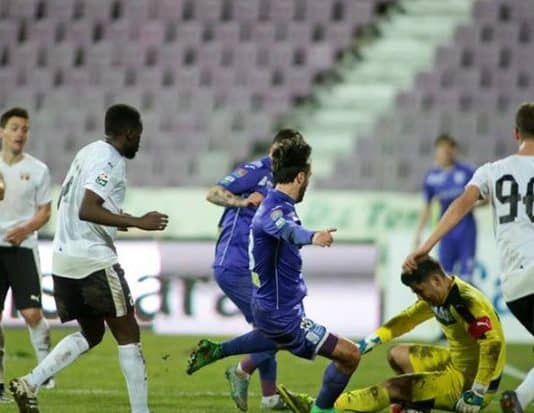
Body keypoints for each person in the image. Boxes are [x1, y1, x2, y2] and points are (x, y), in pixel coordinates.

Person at [9, 104, 169, 413]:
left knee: (93, 332)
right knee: (128, 334)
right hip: (92, 259)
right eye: (139, 136)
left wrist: (118, 220)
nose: (139, 143)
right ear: (130, 133)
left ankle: (30, 382)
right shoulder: (111, 160)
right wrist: (138, 221)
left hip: (64, 257)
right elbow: (87, 208)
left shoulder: (88, 152)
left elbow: (80, 205)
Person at [187, 138, 361, 413]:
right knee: (350, 355)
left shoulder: (277, 204)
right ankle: (321, 410)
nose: (308, 183)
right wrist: (313, 236)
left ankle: (218, 351)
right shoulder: (274, 209)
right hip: (283, 314)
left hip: (274, 307)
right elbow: (285, 229)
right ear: (300, 177)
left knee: (273, 338)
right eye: (308, 177)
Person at [404, 102, 534, 413]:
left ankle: (519, 399)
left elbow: (461, 204)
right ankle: (518, 397)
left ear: (516, 133)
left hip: (514, 285)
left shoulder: (491, 170)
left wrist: (426, 244)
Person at [206, 129, 303, 411]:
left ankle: (269, 397)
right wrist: (242, 202)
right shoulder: (255, 170)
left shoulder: (284, 182)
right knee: (278, 328)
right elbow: (213, 193)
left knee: (267, 329)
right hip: (234, 263)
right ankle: (241, 370)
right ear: (276, 147)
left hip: (258, 267)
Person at [335, 256, 505, 413]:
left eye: (420, 290)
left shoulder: (464, 303)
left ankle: (335, 406)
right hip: (457, 363)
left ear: (436, 280)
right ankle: (416, 406)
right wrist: (368, 342)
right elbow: (407, 319)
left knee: (394, 388)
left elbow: (492, 343)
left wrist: (478, 391)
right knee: (397, 354)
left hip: (472, 382)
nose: (419, 297)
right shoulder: (441, 294)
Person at [0, 108, 53, 402]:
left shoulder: (37, 169)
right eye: (15, 127)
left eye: (25, 129)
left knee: (32, 314)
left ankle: (45, 368)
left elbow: (45, 211)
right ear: (2, 132)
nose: (20, 133)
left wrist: (24, 230)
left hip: (22, 249)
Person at [413, 135, 477, 283]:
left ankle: (465, 297)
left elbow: (485, 197)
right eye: (443, 150)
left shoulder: (467, 172)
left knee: (466, 276)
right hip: (445, 230)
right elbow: (426, 207)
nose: (446, 153)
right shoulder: (432, 176)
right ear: (437, 152)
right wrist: (418, 233)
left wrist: (470, 205)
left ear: (454, 151)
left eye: (449, 150)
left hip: (465, 229)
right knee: (444, 275)